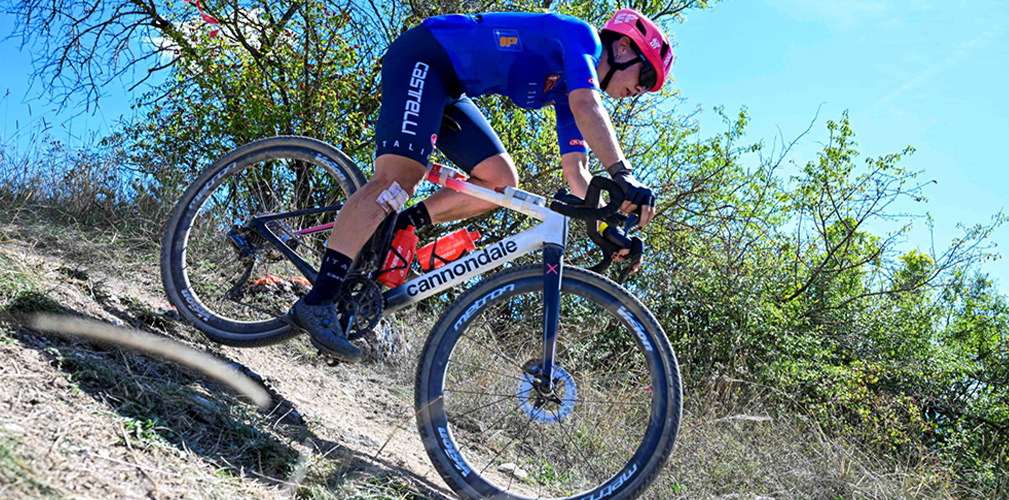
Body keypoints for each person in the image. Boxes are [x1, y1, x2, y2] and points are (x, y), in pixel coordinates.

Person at [291, 9, 674, 362]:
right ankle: (319, 300)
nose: (641, 90)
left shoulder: (567, 91)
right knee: (398, 177)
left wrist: (607, 226)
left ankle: (403, 224)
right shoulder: (581, 38)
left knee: (500, 182)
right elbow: (589, 107)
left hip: (450, 88)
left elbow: (578, 175)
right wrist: (624, 175)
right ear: (623, 47)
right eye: (644, 77)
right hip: (426, 57)